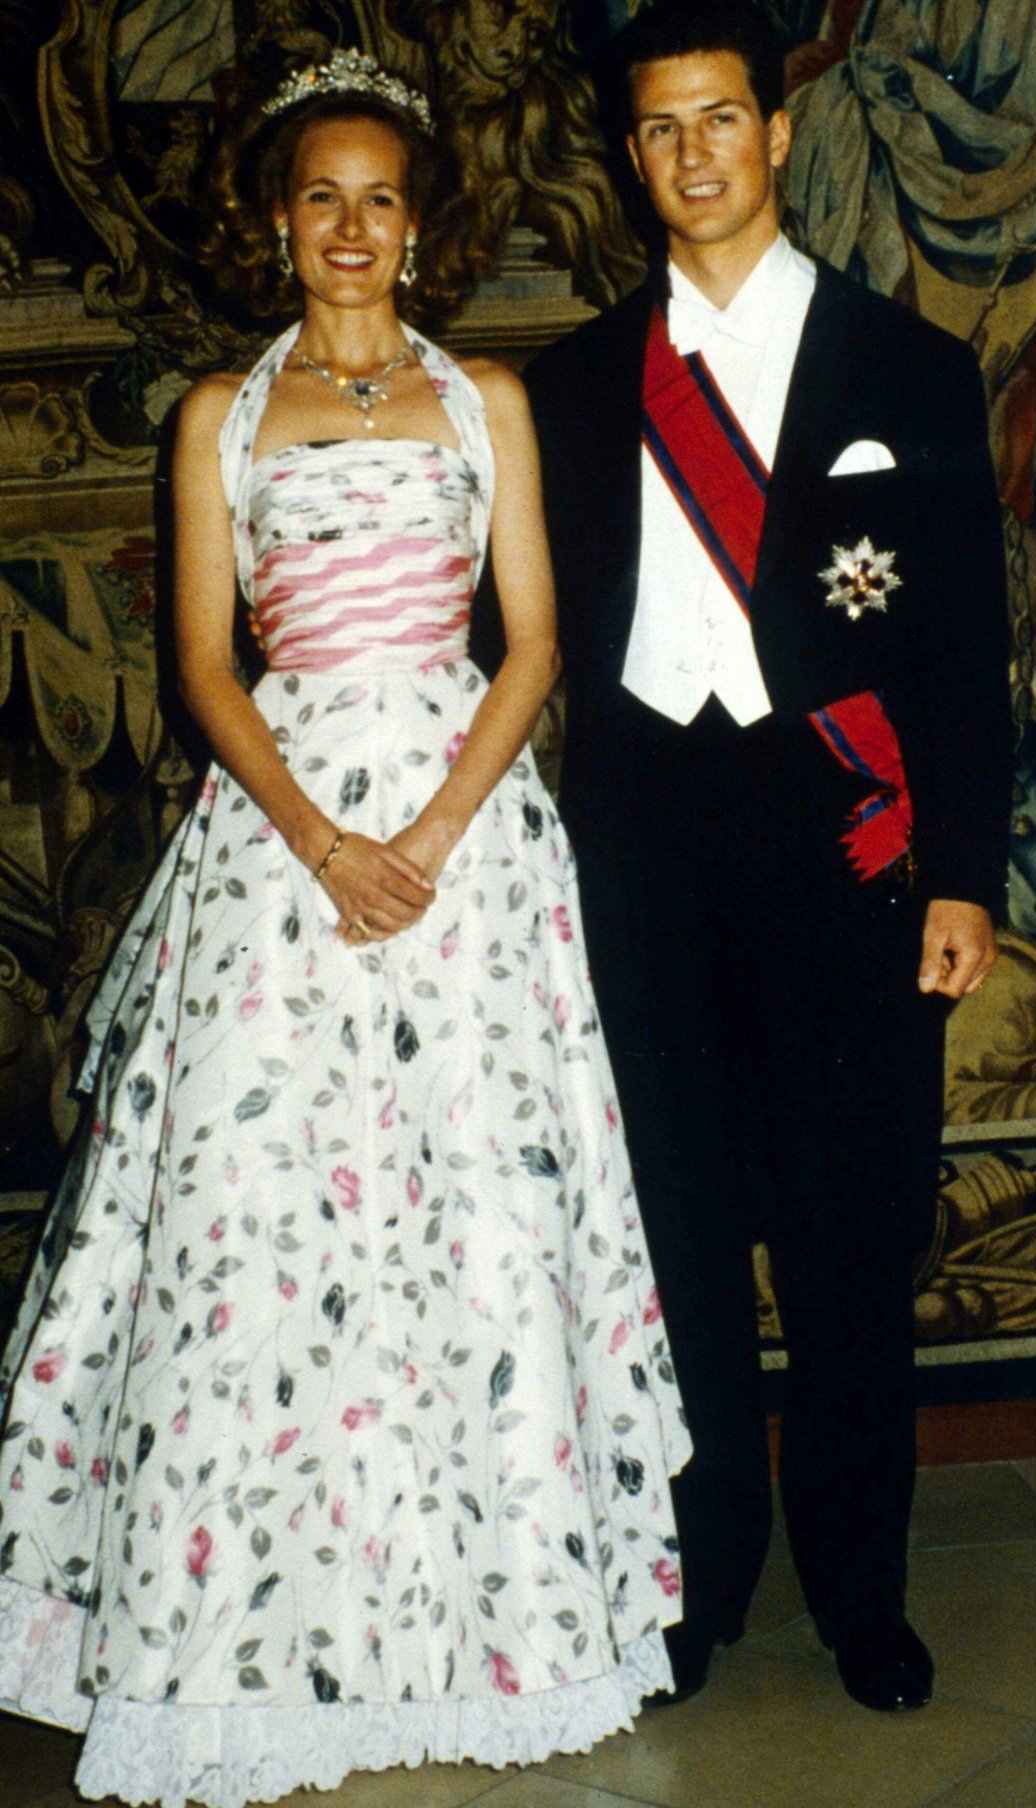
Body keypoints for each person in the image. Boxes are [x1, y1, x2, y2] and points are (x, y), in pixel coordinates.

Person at [0, 50, 689, 1807]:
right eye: (322, 197)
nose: (353, 228)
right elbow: (201, 664)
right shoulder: (217, 412)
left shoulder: (492, 405)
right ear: (278, 221)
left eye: (383, 196)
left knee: (467, 1191)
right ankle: (238, 1638)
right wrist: (320, 841)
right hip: (282, 836)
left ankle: (493, 1619)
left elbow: (530, 643)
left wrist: (437, 835)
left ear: (419, 219)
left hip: (463, 840)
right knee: (258, 1208)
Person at [473, 0, 1011, 1713]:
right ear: (631, 158)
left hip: (851, 851)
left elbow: (961, 658)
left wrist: (965, 877)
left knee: (853, 1243)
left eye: (720, 120)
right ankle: (695, 1584)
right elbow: (506, 634)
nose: (693, 155)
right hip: (646, 859)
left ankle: (864, 1594)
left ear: (775, 135)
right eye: (659, 131)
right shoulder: (564, 391)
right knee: (679, 1243)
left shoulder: (904, 368)